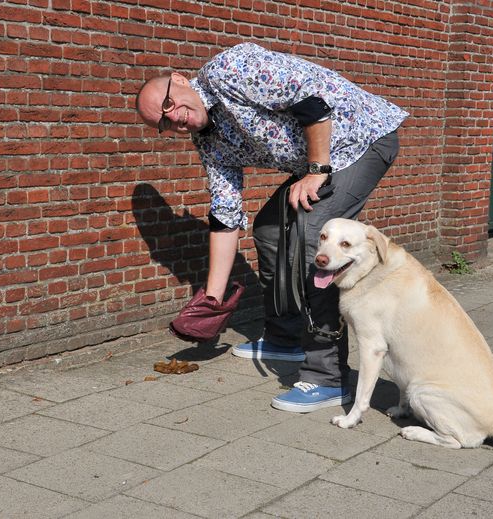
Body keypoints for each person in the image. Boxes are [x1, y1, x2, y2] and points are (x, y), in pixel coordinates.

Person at [136, 42, 408, 413]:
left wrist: (315, 171)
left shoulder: (229, 70)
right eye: (163, 123)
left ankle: (328, 376)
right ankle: (285, 337)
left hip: (360, 140)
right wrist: (212, 299)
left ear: (180, 80)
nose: (174, 119)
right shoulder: (210, 141)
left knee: (313, 237)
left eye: (168, 106)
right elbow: (225, 214)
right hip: (323, 158)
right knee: (268, 229)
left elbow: (312, 102)